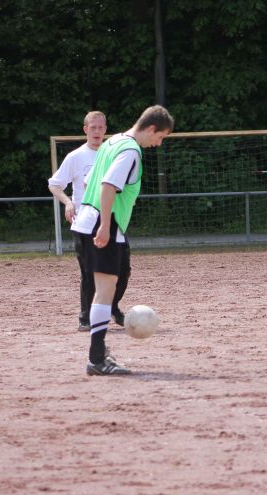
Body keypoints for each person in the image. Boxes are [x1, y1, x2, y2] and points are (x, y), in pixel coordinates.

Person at [71, 105, 174, 376]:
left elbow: (89, 181)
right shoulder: (130, 150)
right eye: (160, 137)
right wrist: (105, 225)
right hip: (103, 222)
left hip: (86, 218)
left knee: (103, 289)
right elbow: (108, 186)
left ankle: (98, 352)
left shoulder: (112, 142)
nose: (158, 144)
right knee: (105, 290)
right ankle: (96, 359)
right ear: (151, 128)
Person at [48, 111, 130, 332]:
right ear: (85, 129)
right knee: (89, 271)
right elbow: (54, 184)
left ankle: (111, 306)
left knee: (123, 270)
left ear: (105, 130)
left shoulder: (113, 155)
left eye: (101, 128)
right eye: (93, 127)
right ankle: (86, 317)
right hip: (85, 223)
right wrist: (68, 202)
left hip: (112, 219)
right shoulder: (76, 157)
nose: (97, 131)